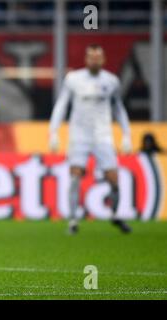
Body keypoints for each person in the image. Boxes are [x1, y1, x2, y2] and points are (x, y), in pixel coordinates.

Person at [49, 44, 133, 235]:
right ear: (87, 59)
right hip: (79, 135)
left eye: (98, 57)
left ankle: (115, 214)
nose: (94, 60)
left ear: (102, 60)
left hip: (103, 135)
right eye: (91, 57)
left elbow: (118, 108)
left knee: (113, 177)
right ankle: (72, 219)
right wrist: (53, 131)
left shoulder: (111, 81)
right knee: (76, 174)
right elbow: (62, 105)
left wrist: (126, 134)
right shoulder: (73, 79)